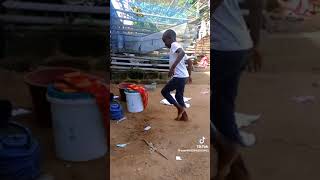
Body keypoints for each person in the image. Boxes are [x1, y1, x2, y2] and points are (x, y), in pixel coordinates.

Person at [211, 0, 263, 179]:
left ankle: (227, 148)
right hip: (238, 45)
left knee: (187, 103)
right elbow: (257, 6)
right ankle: (236, 172)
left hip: (219, 47)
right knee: (221, 109)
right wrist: (254, 42)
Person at [161, 29, 193, 121]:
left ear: (170, 38)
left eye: (164, 41)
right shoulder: (176, 47)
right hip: (184, 76)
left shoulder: (174, 45)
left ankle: (180, 108)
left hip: (179, 77)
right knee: (179, 96)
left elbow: (182, 53)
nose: (164, 44)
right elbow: (189, 61)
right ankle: (184, 116)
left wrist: (172, 68)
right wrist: (189, 75)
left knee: (164, 92)